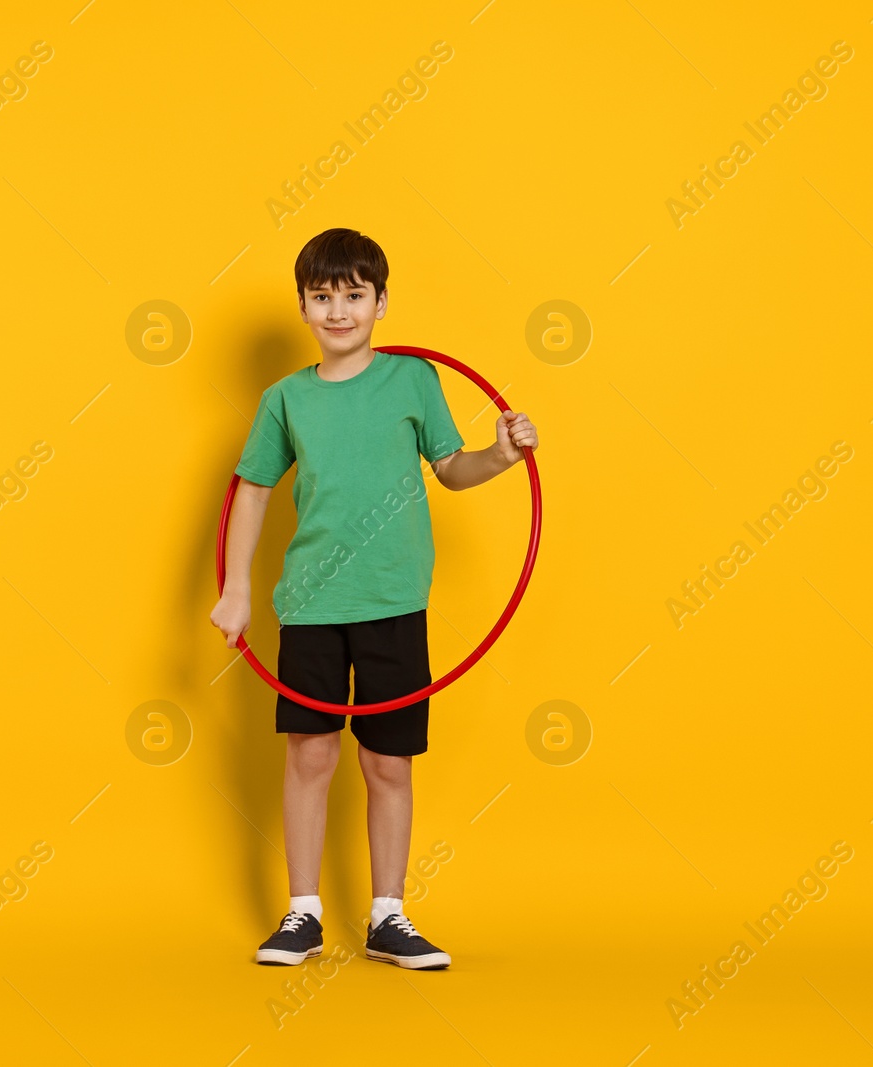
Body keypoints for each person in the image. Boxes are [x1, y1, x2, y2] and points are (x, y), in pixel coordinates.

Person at [210, 227, 539, 970]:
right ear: (302, 306)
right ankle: (302, 913)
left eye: (353, 295)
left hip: (394, 603)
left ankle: (389, 914)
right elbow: (253, 493)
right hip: (311, 607)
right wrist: (237, 591)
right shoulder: (284, 399)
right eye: (323, 297)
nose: (338, 310)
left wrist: (504, 454)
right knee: (310, 754)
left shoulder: (414, 381)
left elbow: (453, 469)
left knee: (389, 761)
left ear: (381, 302)